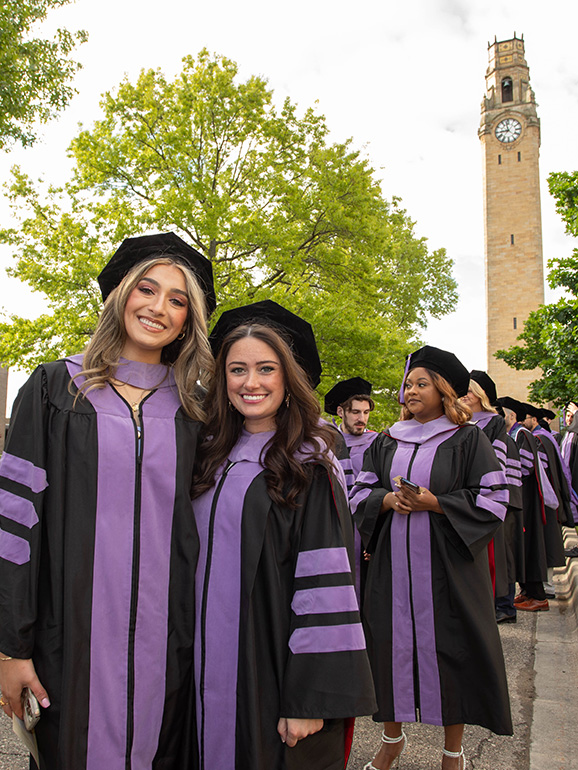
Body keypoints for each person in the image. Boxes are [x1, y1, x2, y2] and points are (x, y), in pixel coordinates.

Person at [0, 232, 215, 770]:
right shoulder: (54, 389)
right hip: (68, 636)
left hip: (171, 641)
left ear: (189, 320)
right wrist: (10, 647)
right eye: (147, 289)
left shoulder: (198, 410)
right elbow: (14, 527)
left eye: (178, 299)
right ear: (119, 295)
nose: (158, 308)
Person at [191, 300, 376, 770]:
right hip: (198, 661)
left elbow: (327, 589)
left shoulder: (307, 465)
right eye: (237, 369)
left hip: (267, 665)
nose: (250, 383)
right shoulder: (207, 456)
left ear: (289, 379)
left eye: (265, 369)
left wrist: (308, 699)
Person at [351, 345, 512, 770]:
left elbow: (495, 499)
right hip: (391, 569)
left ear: (443, 391)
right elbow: (358, 492)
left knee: (452, 651)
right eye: (408, 384)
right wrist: (385, 500)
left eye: (422, 384)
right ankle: (390, 741)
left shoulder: (468, 439)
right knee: (388, 648)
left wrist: (436, 503)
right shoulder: (386, 441)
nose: (411, 391)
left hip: (449, 569)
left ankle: (452, 752)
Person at [461, 372, 524, 623]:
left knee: (498, 553)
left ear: (481, 395)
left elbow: (497, 465)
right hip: (468, 498)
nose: (464, 394)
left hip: (491, 496)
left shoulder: (494, 424)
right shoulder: (461, 421)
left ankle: (505, 605)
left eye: (469, 390)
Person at [497, 397, 562, 612]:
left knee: (532, 546)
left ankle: (537, 596)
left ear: (512, 415)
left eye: (501, 412)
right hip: (524, 498)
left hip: (529, 500)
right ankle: (527, 592)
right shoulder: (515, 435)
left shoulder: (521, 435)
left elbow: (527, 468)